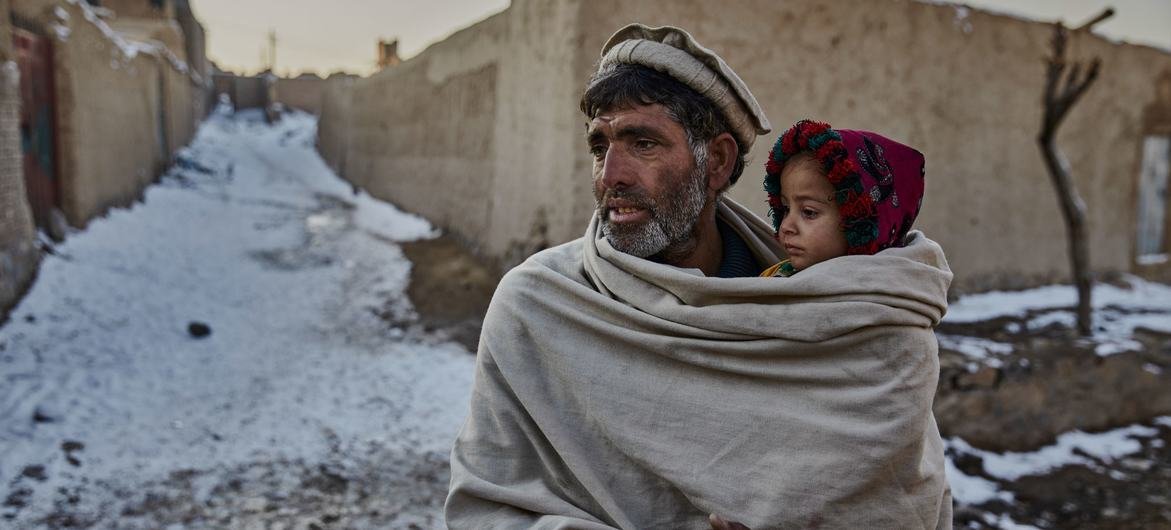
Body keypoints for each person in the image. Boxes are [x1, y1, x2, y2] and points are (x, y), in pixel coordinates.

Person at [446, 23, 954, 529]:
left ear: (716, 161)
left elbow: (897, 496)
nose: (611, 175)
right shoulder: (539, 304)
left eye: (642, 143)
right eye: (599, 147)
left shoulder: (822, 314)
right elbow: (485, 509)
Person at [760, 119, 927, 277]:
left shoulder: (886, 298)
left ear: (857, 222)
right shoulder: (776, 278)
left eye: (809, 212)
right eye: (786, 209)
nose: (786, 226)